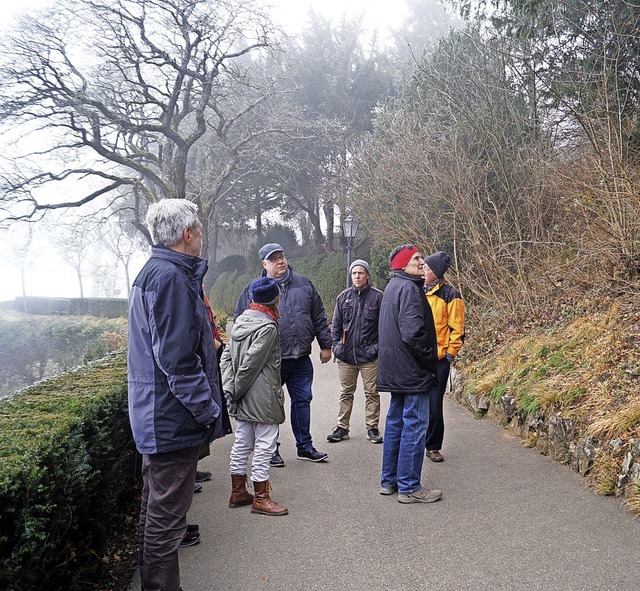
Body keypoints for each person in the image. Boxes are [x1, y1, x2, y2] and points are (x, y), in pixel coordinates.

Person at [127, 198, 231, 591]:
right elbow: (177, 361)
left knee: (155, 515)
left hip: (158, 415)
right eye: (200, 230)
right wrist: (207, 409)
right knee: (166, 522)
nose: (202, 237)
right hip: (169, 419)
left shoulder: (158, 273)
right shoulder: (170, 278)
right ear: (188, 235)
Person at [234, 243, 332, 464]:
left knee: (302, 401)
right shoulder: (253, 289)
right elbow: (243, 322)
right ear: (264, 264)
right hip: (271, 360)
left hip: (300, 357)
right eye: (274, 258)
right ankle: (271, 450)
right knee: (270, 405)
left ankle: (305, 447)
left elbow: (318, 315)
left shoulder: (304, 284)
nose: (280, 261)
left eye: (282, 256)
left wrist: (326, 345)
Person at [377, 244, 443, 504]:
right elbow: (413, 333)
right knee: (415, 426)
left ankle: (389, 481)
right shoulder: (410, 290)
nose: (421, 261)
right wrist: (430, 360)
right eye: (416, 258)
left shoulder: (393, 288)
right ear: (403, 264)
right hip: (412, 371)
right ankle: (410, 486)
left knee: (395, 424)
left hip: (396, 370)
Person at [221, 277, 288, 516]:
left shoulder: (240, 321)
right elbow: (251, 363)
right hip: (262, 396)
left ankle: (238, 492)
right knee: (265, 445)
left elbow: (226, 357)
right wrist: (236, 389)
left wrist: (230, 389)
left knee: (242, 443)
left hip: (242, 395)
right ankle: (261, 497)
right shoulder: (268, 328)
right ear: (274, 300)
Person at [327, 259, 384, 444]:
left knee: (372, 393)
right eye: (354, 273)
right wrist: (337, 347)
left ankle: (372, 428)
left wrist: (376, 349)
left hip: (369, 356)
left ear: (367, 275)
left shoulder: (378, 297)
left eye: (360, 273)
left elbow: (384, 327)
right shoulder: (343, 297)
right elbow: (335, 326)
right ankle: (342, 428)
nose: (357, 276)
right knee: (346, 392)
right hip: (346, 356)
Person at [422, 251, 465, 463]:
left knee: (434, 405)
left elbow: (457, 328)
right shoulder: (416, 290)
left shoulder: (450, 295)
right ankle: (414, 442)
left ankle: (433, 446)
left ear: (436, 273)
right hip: (418, 357)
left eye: (427, 269)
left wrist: (449, 355)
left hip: (439, 359)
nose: (423, 270)